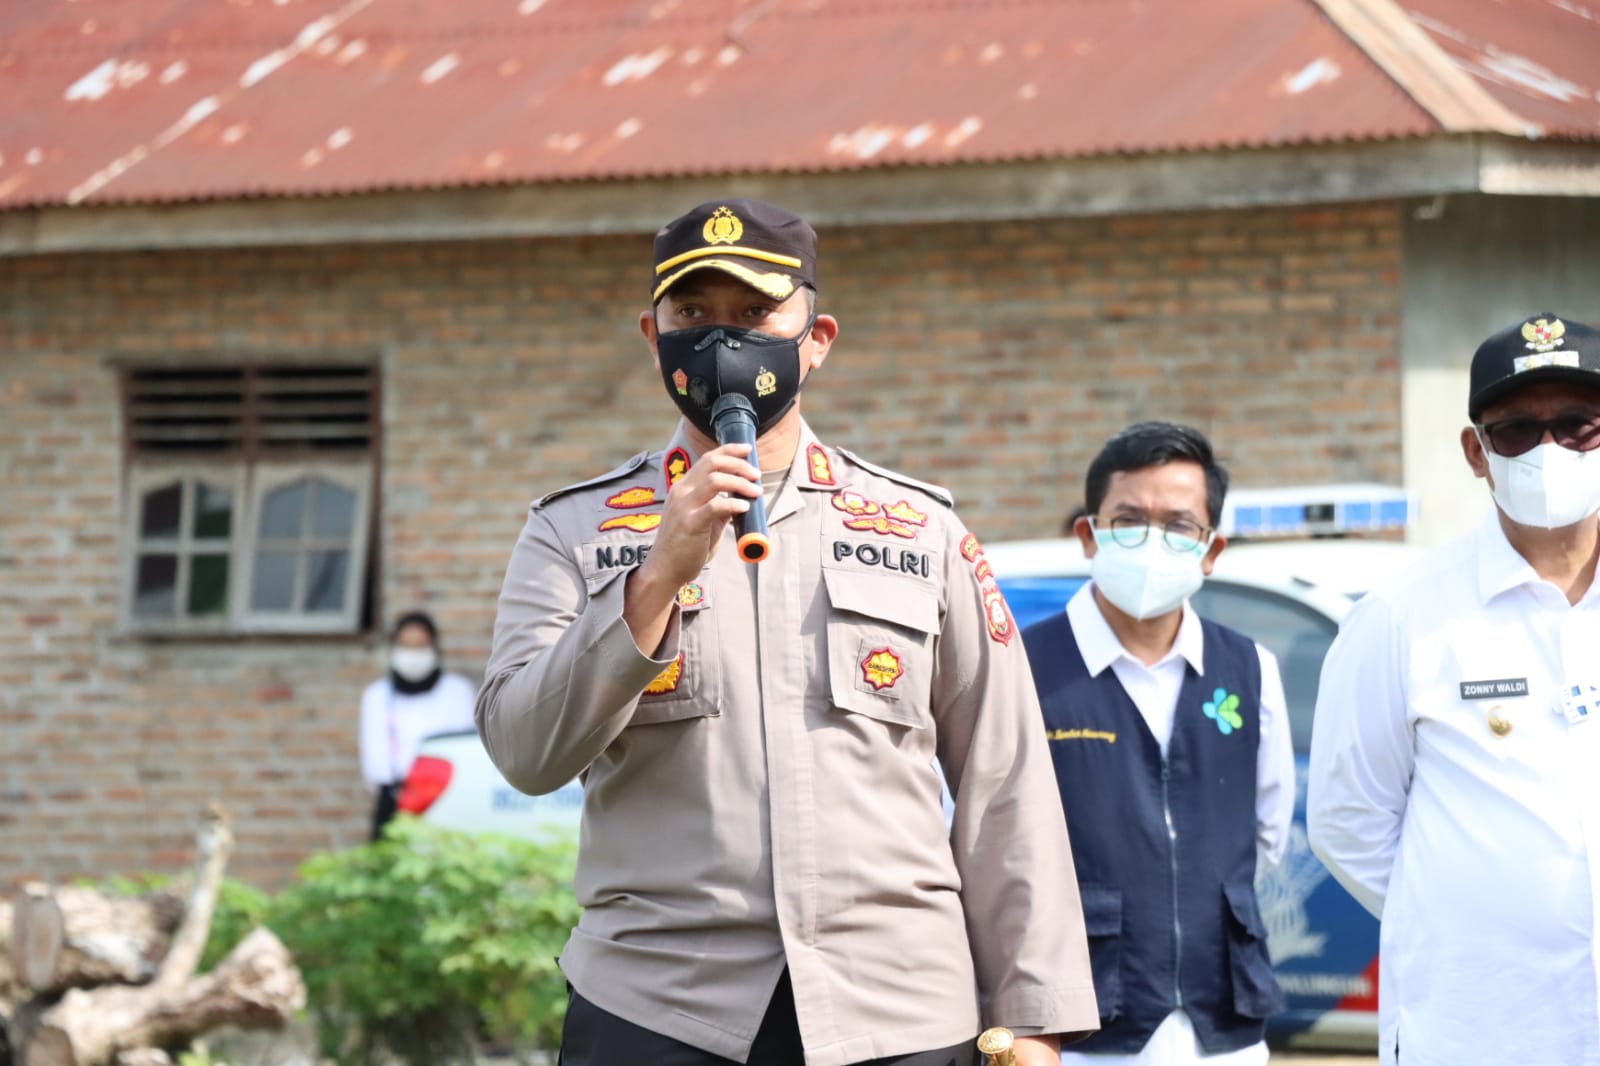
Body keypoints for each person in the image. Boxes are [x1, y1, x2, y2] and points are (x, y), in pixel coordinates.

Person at [476, 198, 1098, 1066]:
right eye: (693, 314)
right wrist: (654, 579)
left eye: (755, 313)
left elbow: (1005, 777)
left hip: (899, 1010)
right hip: (660, 1006)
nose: (722, 341)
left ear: (816, 338)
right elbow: (524, 751)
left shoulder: (921, 530)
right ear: (654, 339)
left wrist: (1034, 1014)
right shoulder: (571, 532)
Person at [1307, 312, 1600, 1066]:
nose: (1550, 451)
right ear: (1477, 452)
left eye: (1579, 427)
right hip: (1480, 1026)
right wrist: (1468, 912)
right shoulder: (1401, 617)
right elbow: (1347, 822)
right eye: (1518, 431)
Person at [1021, 422, 1293, 1065]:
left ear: (1211, 549)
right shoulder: (1024, 670)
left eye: (1178, 524)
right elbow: (981, 843)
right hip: (1078, 1030)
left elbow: (1266, 835)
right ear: (1088, 536)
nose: (1151, 541)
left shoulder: (1249, 669)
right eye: (1128, 520)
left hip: (1222, 1025)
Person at [359, 610, 477, 841]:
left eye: (420, 646)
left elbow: (465, 753)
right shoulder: (378, 695)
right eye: (406, 646)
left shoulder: (457, 691)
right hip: (397, 804)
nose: (413, 654)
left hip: (450, 801)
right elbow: (375, 765)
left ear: (434, 648)